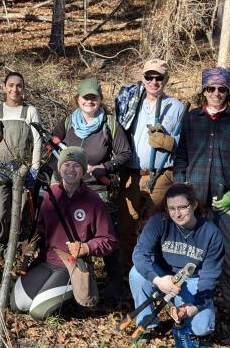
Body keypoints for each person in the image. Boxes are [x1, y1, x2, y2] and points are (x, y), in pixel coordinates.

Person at [173, 66, 230, 317]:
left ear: (228, 91)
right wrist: (181, 187)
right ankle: (190, 306)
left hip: (227, 202)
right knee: (189, 256)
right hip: (194, 202)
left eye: (221, 89)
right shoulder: (191, 118)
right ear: (203, 91)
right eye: (211, 88)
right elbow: (181, 156)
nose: (216, 93)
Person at [11, 147, 116, 320]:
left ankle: (69, 297)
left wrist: (86, 247)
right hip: (46, 261)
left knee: (37, 312)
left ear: (83, 171)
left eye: (76, 166)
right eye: (66, 164)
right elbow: (40, 228)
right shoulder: (50, 194)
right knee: (18, 305)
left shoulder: (94, 201)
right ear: (59, 169)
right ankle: (56, 292)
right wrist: (30, 245)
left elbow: (109, 240)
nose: (70, 170)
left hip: (71, 265)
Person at [52, 77, 131, 300]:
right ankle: (73, 279)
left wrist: (102, 168)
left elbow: (125, 154)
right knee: (65, 233)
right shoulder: (68, 123)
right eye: (85, 97)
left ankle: (116, 285)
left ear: (100, 99)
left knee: (104, 236)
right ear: (77, 99)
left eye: (93, 98)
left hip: (96, 189)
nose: (89, 101)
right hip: (67, 189)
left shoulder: (109, 124)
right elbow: (52, 145)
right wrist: (59, 172)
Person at [129, 183, 224, 344]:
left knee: (203, 328)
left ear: (194, 205)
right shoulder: (158, 222)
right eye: (171, 208)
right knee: (136, 274)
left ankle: (187, 315)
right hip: (163, 275)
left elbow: (210, 277)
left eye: (182, 207)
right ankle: (146, 324)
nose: (177, 214)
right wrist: (158, 280)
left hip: (193, 279)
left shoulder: (211, 233)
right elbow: (139, 255)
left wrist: (190, 308)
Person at [118, 58, 185, 272]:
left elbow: (187, 145)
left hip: (161, 176)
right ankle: (126, 274)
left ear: (166, 79)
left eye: (159, 77)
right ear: (143, 78)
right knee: (127, 225)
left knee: (155, 226)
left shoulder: (177, 108)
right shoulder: (130, 103)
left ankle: (154, 274)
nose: (154, 81)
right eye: (149, 77)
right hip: (132, 173)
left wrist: (169, 142)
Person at [0, 72, 42, 254]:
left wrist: (34, 169)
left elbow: (37, 141)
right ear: (4, 87)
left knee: (20, 215)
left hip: (22, 171)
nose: (15, 89)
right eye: (11, 85)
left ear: (23, 88)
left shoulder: (30, 111)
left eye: (19, 86)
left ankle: (16, 250)